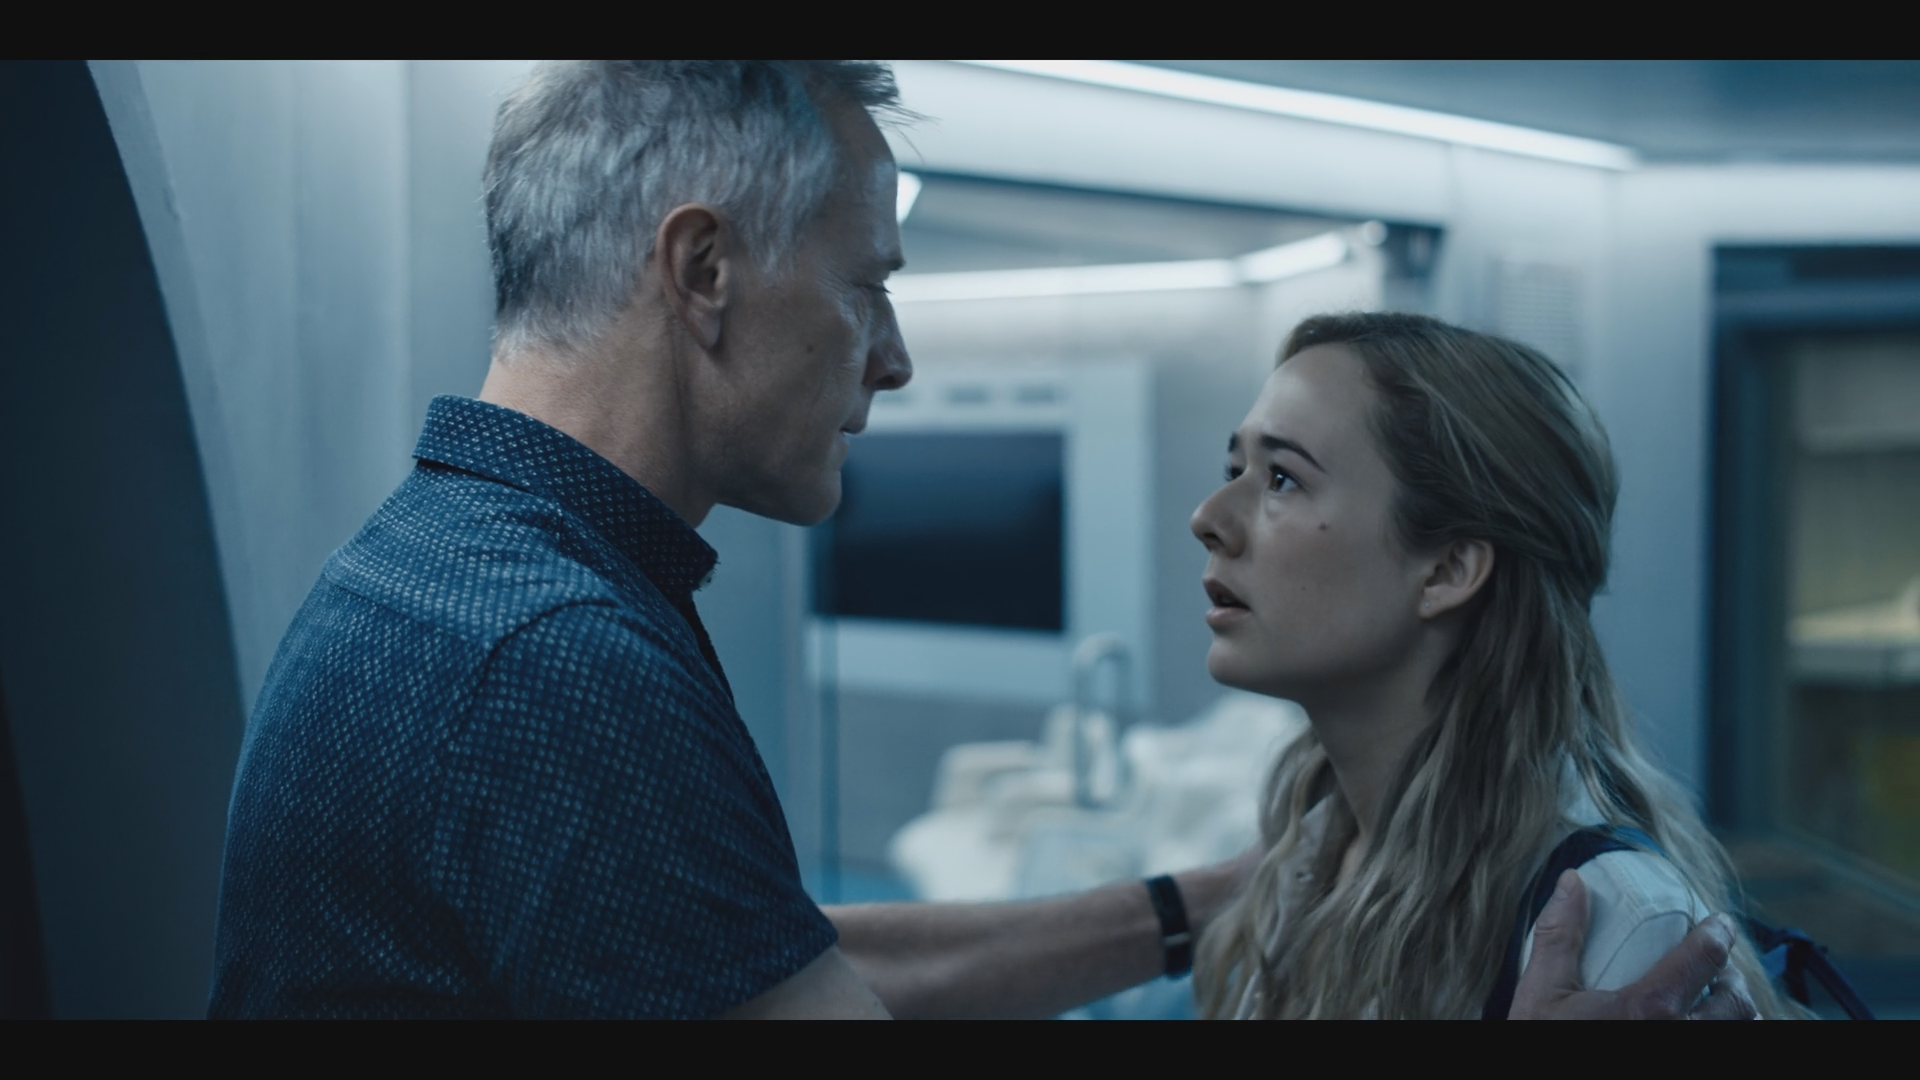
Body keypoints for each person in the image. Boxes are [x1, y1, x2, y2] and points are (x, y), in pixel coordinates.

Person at [209, 60, 1755, 1019]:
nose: (892, 358)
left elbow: (753, 959)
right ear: (703, 271)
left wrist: (1210, 903)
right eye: (867, 288)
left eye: (1283, 478)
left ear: (1454, 566)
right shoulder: (554, 659)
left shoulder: (452, 569)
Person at [1184, 312, 1792, 1019]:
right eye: (1235, 470)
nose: (1208, 517)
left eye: (1283, 478)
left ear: (1448, 569)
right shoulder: (1313, 853)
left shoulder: (1610, 929)